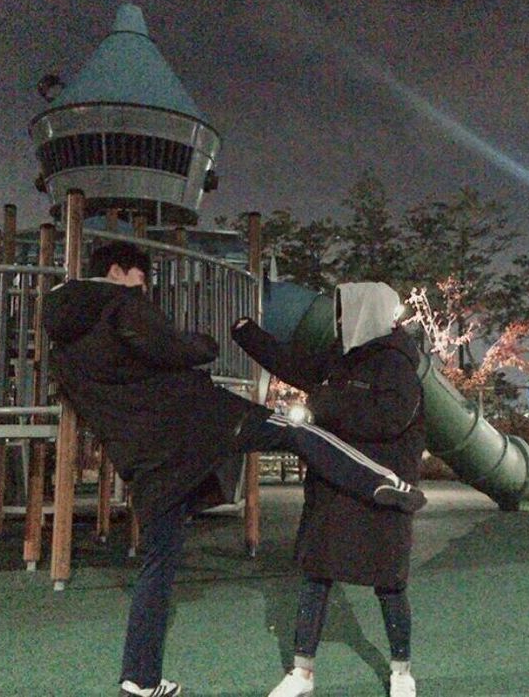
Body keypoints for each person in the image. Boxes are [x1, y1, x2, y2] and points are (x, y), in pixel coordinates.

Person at [42, 241, 426, 697]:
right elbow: (174, 347)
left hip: (144, 457)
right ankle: (381, 481)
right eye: (142, 280)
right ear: (121, 271)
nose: (144, 290)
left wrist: (249, 337)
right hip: (198, 422)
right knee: (294, 431)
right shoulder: (121, 303)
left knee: (158, 563)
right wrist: (203, 343)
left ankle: (140, 678)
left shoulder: (60, 347)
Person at [232, 281, 425, 697]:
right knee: (317, 573)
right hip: (335, 484)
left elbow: (388, 419)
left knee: (389, 582)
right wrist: (246, 332)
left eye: (344, 312)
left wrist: (324, 403)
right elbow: (295, 366)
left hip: (379, 486)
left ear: (364, 314)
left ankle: (401, 669)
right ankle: (302, 673)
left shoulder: (396, 364)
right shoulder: (343, 360)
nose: (338, 321)